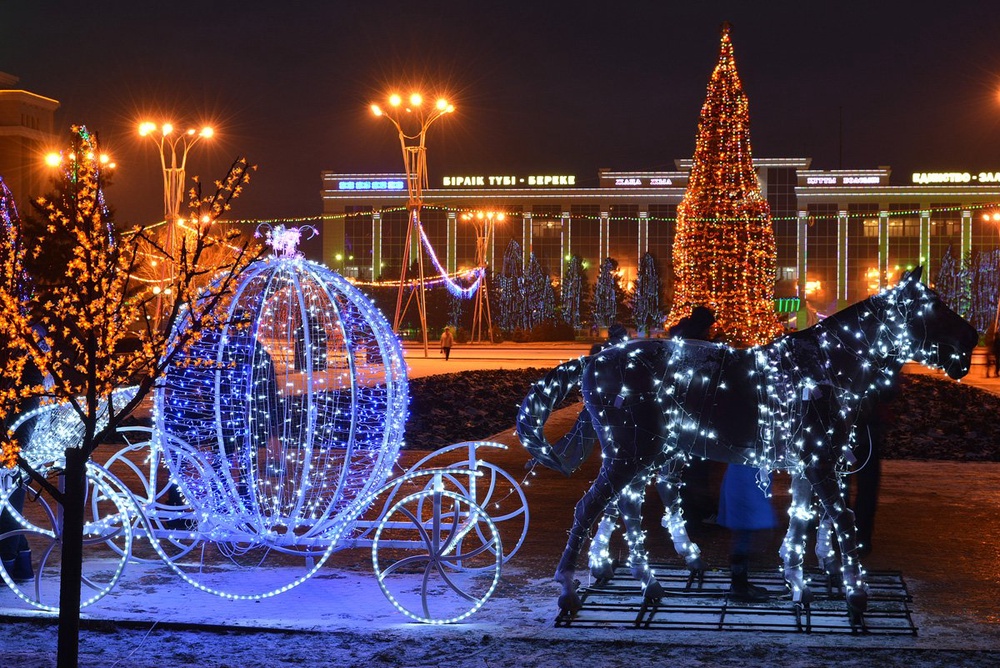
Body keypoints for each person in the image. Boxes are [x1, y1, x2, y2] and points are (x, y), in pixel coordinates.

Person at [718, 463, 777, 602]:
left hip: (749, 480)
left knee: (745, 534)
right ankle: (739, 587)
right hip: (745, 484)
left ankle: (741, 584)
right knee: (744, 535)